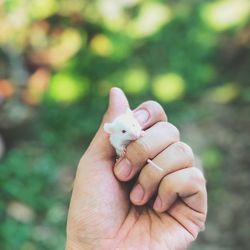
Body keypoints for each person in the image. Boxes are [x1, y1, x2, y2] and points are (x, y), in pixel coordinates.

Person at [65, 88, 207, 250]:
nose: (132, 132)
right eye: (126, 130)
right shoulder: (115, 135)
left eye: (134, 125)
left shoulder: (128, 127)